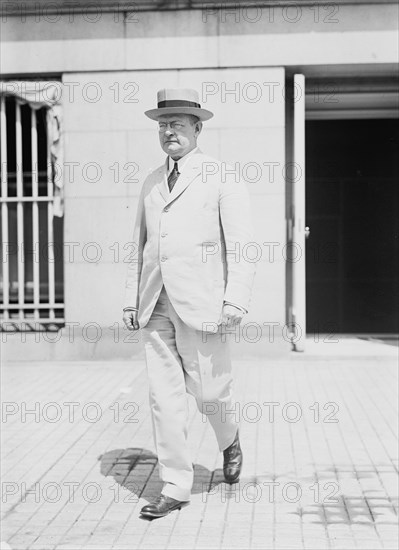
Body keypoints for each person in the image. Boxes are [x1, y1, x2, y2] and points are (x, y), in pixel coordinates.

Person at [122, 88, 256, 518]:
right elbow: (139, 246)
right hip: (155, 303)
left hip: (203, 304)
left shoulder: (223, 176)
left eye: (178, 124)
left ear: (198, 128)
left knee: (209, 391)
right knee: (164, 398)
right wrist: (131, 299)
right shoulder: (149, 182)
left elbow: (242, 245)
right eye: (163, 124)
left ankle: (229, 438)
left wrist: (236, 297)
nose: (169, 131)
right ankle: (176, 486)